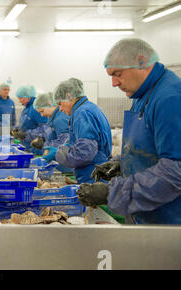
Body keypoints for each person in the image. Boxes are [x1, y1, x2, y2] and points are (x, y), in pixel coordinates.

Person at [77, 38, 181, 224]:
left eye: (117, 74)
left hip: (168, 222)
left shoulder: (170, 98)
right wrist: (122, 163)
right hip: (142, 214)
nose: (114, 83)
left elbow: (175, 170)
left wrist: (113, 192)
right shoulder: (141, 95)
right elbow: (148, 148)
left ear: (141, 62)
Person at [45, 78, 112, 183]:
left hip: (93, 175)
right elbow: (78, 142)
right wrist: (62, 148)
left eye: (60, 103)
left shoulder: (82, 113)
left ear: (69, 96)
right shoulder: (88, 108)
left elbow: (84, 152)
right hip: (94, 172)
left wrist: (58, 155)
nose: (60, 109)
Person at [11, 85, 48, 153]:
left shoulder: (36, 108)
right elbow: (26, 123)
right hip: (26, 147)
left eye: (21, 98)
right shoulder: (27, 108)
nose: (19, 101)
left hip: (35, 148)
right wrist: (17, 129)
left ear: (28, 97)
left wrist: (26, 134)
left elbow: (45, 128)